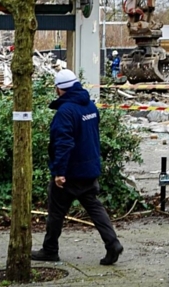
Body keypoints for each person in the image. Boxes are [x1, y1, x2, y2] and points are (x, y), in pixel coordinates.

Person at [31, 69, 124, 265]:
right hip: (89, 169)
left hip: (71, 172)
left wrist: (59, 172)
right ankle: (112, 243)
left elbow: (63, 143)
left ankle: (49, 250)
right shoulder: (90, 106)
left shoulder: (65, 112)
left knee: (56, 212)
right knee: (95, 208)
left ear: (59, 89)